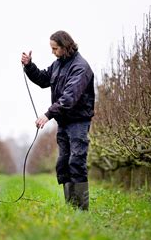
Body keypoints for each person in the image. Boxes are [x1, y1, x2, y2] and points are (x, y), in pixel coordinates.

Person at [21, 30, 95, 210]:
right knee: (63, 164)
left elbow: (69, 97)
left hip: (78, 121)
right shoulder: (58, 64)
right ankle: (71, 206)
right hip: (64, 122)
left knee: (76, 162)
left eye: (55, 48)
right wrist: (29, 66)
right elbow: (42, 79)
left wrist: (47, 114)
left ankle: (82, 209)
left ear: (65, 46)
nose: (52, 52)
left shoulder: (80, 67)